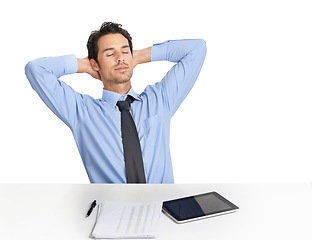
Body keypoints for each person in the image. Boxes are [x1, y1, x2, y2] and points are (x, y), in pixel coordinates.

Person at [25, 22, 206, 183]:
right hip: (113, 214)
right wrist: (84, 65)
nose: (120, 58)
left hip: (165, 211)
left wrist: (138, 56)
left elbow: (197, 49)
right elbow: (36, 69)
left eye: (125, 51)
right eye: (110, 54)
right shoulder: (82, 112)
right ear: (96, 64)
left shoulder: (160, 99)